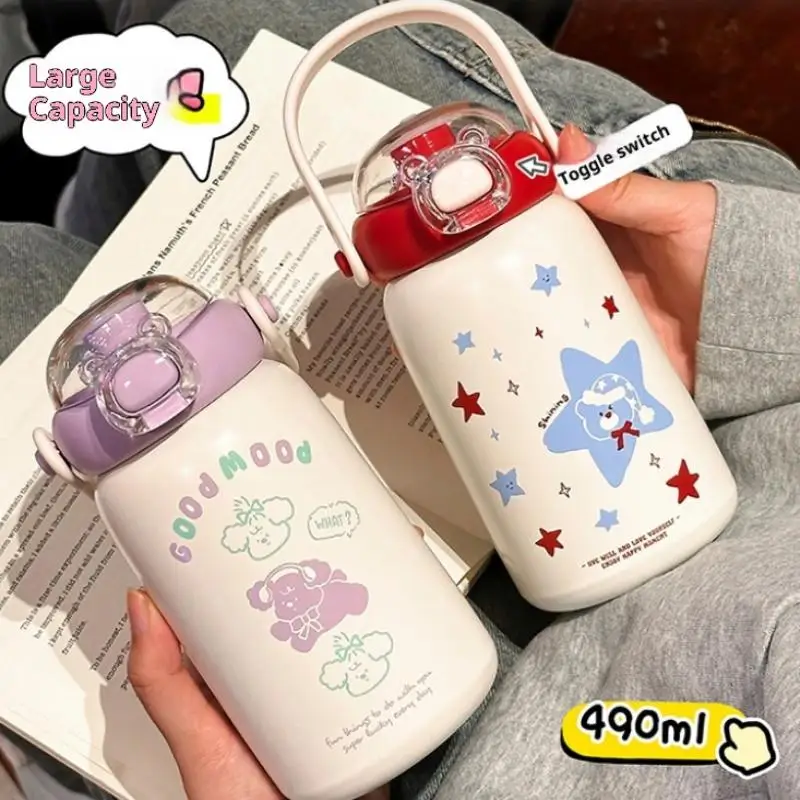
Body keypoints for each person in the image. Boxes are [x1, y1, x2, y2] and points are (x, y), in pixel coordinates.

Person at [2, 1, 800, 799]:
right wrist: (753, 282)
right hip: (757, 451)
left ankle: (85, 179)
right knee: (212, 26)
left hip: (491, 757)